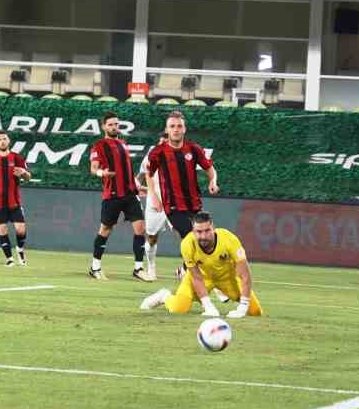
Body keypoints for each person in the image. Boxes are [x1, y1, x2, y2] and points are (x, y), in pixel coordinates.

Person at [139, 212, 264, 319]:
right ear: (193, 231)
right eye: (199, 232)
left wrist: (243, 306)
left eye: (207, 231)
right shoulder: (187, 244)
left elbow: (245, 275)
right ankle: (164, 296)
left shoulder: (229, 239)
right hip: (201, 278)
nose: (203, 236)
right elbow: (196, 277)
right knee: (178, 308)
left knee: (255, 311)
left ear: (213, 228)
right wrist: (208, 306)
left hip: (228, 279)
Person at [140, 110, 217, 279]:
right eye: (172, 126)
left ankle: (186, 270)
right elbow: (146, 174)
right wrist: (152, 196)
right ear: (167, 130)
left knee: (197, 236)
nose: (176, 129)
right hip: (164, 203)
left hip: (192, 203)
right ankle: (152, 266)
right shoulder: (156, 153)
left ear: (184, 129)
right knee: (152, 237)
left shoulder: (194, 149)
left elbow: (210, 169)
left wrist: (213, 181)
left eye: (179, 126)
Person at [89, 112, 150, 281]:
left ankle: (138, 268)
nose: (114, 127)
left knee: (141, 229)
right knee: (105, 230)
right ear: (104, 127)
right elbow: (93, 168)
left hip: (130, 194)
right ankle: (95, 267)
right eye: (110, 124)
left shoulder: (123, 143)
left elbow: (128, 170)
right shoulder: (99, 145)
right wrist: (102, 173)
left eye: (116, 124)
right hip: (113, 195)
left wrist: (138, 186)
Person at [0, 130, 31, 267]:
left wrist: (24, 173)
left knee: (21, 229)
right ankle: (9, 259)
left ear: (9, 141)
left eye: (4, 139)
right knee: (2, 230)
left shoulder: (17, 158)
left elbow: (28, 177)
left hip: (14, 201)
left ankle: (20, 249)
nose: (2, 141)